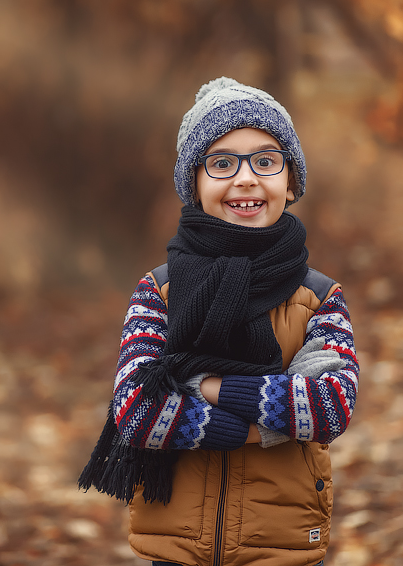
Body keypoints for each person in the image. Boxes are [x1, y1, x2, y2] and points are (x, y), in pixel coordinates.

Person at [79, 77, 360, 566]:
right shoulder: (159, 293)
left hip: (282, 547)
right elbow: (135, 412)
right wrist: (271, 419)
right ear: (194, 184)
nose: (246, 178)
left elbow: (328, 407)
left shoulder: (317, 298)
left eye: (266, 160)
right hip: (174, 546)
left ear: (290, 181)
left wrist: (202, 384)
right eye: (222, 162)